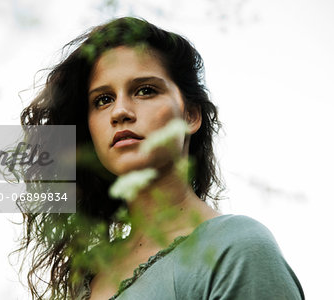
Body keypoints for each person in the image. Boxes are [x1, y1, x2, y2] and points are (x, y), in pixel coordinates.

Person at [17, 17, 305, 299]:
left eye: (145, 90)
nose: (120, 112)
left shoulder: (237, 249)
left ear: (190, 115)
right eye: (103, 99)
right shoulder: (88, 278)